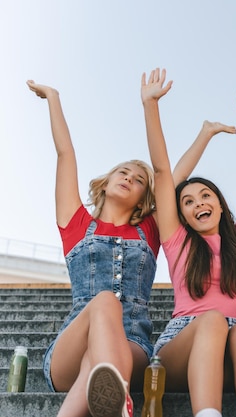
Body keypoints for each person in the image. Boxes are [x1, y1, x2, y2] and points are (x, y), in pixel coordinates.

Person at [141, 68, 236, 417]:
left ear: (220, 203)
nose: (199, 203)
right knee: (214, 320)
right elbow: (163, 173)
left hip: (232, 353)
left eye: (206, 195)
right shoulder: (179, 243)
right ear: (181, 215)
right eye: (189, 201)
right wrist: (150, 106)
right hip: (183, 346)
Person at [28, 80, 158, 417]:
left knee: (97, 365)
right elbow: (65, 154)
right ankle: (121, 402)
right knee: (103, 303)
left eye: (138, 179)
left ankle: (111, 401)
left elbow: (167, 175)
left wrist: (200, 132)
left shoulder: (149, 230)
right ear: (107, 180)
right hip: (70, 347)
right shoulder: (76, 224)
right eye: (123, 171)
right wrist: (53, 99)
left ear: (145, 198)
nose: (129, 177)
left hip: (132, 346)